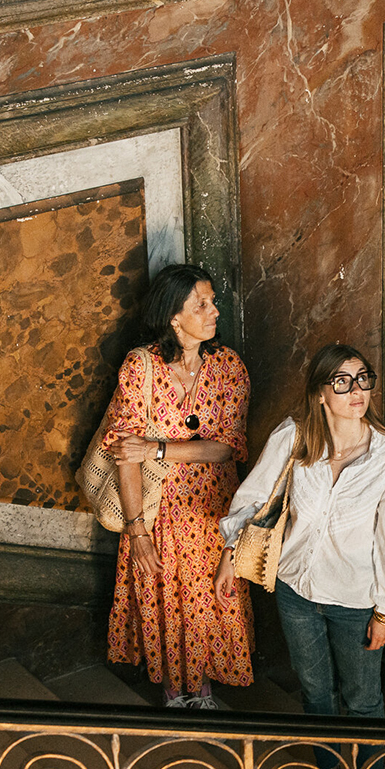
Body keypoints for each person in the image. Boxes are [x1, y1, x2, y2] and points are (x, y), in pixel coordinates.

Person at [216, 345, 385, 718]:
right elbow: (252, 498)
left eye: (362, 379)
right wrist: (231, 554)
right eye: (341, 382)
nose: (357, 391)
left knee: (363, 701)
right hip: (294, 592)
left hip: (355, 602)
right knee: (315, 694)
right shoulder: (294, 438)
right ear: (320, 394)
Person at [104, 264, 253, 708]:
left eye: (212, 301)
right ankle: (176, 691)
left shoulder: (228, 368)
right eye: (201, 304)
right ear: (173, 316)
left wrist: (156, 448)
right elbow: (124, 455)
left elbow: (226, 448)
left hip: (215, 509)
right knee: (168, 597)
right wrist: (137, 531)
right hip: (157, 509)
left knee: (213, 597)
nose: (215, 310)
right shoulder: (141, 367)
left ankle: (202, 689)